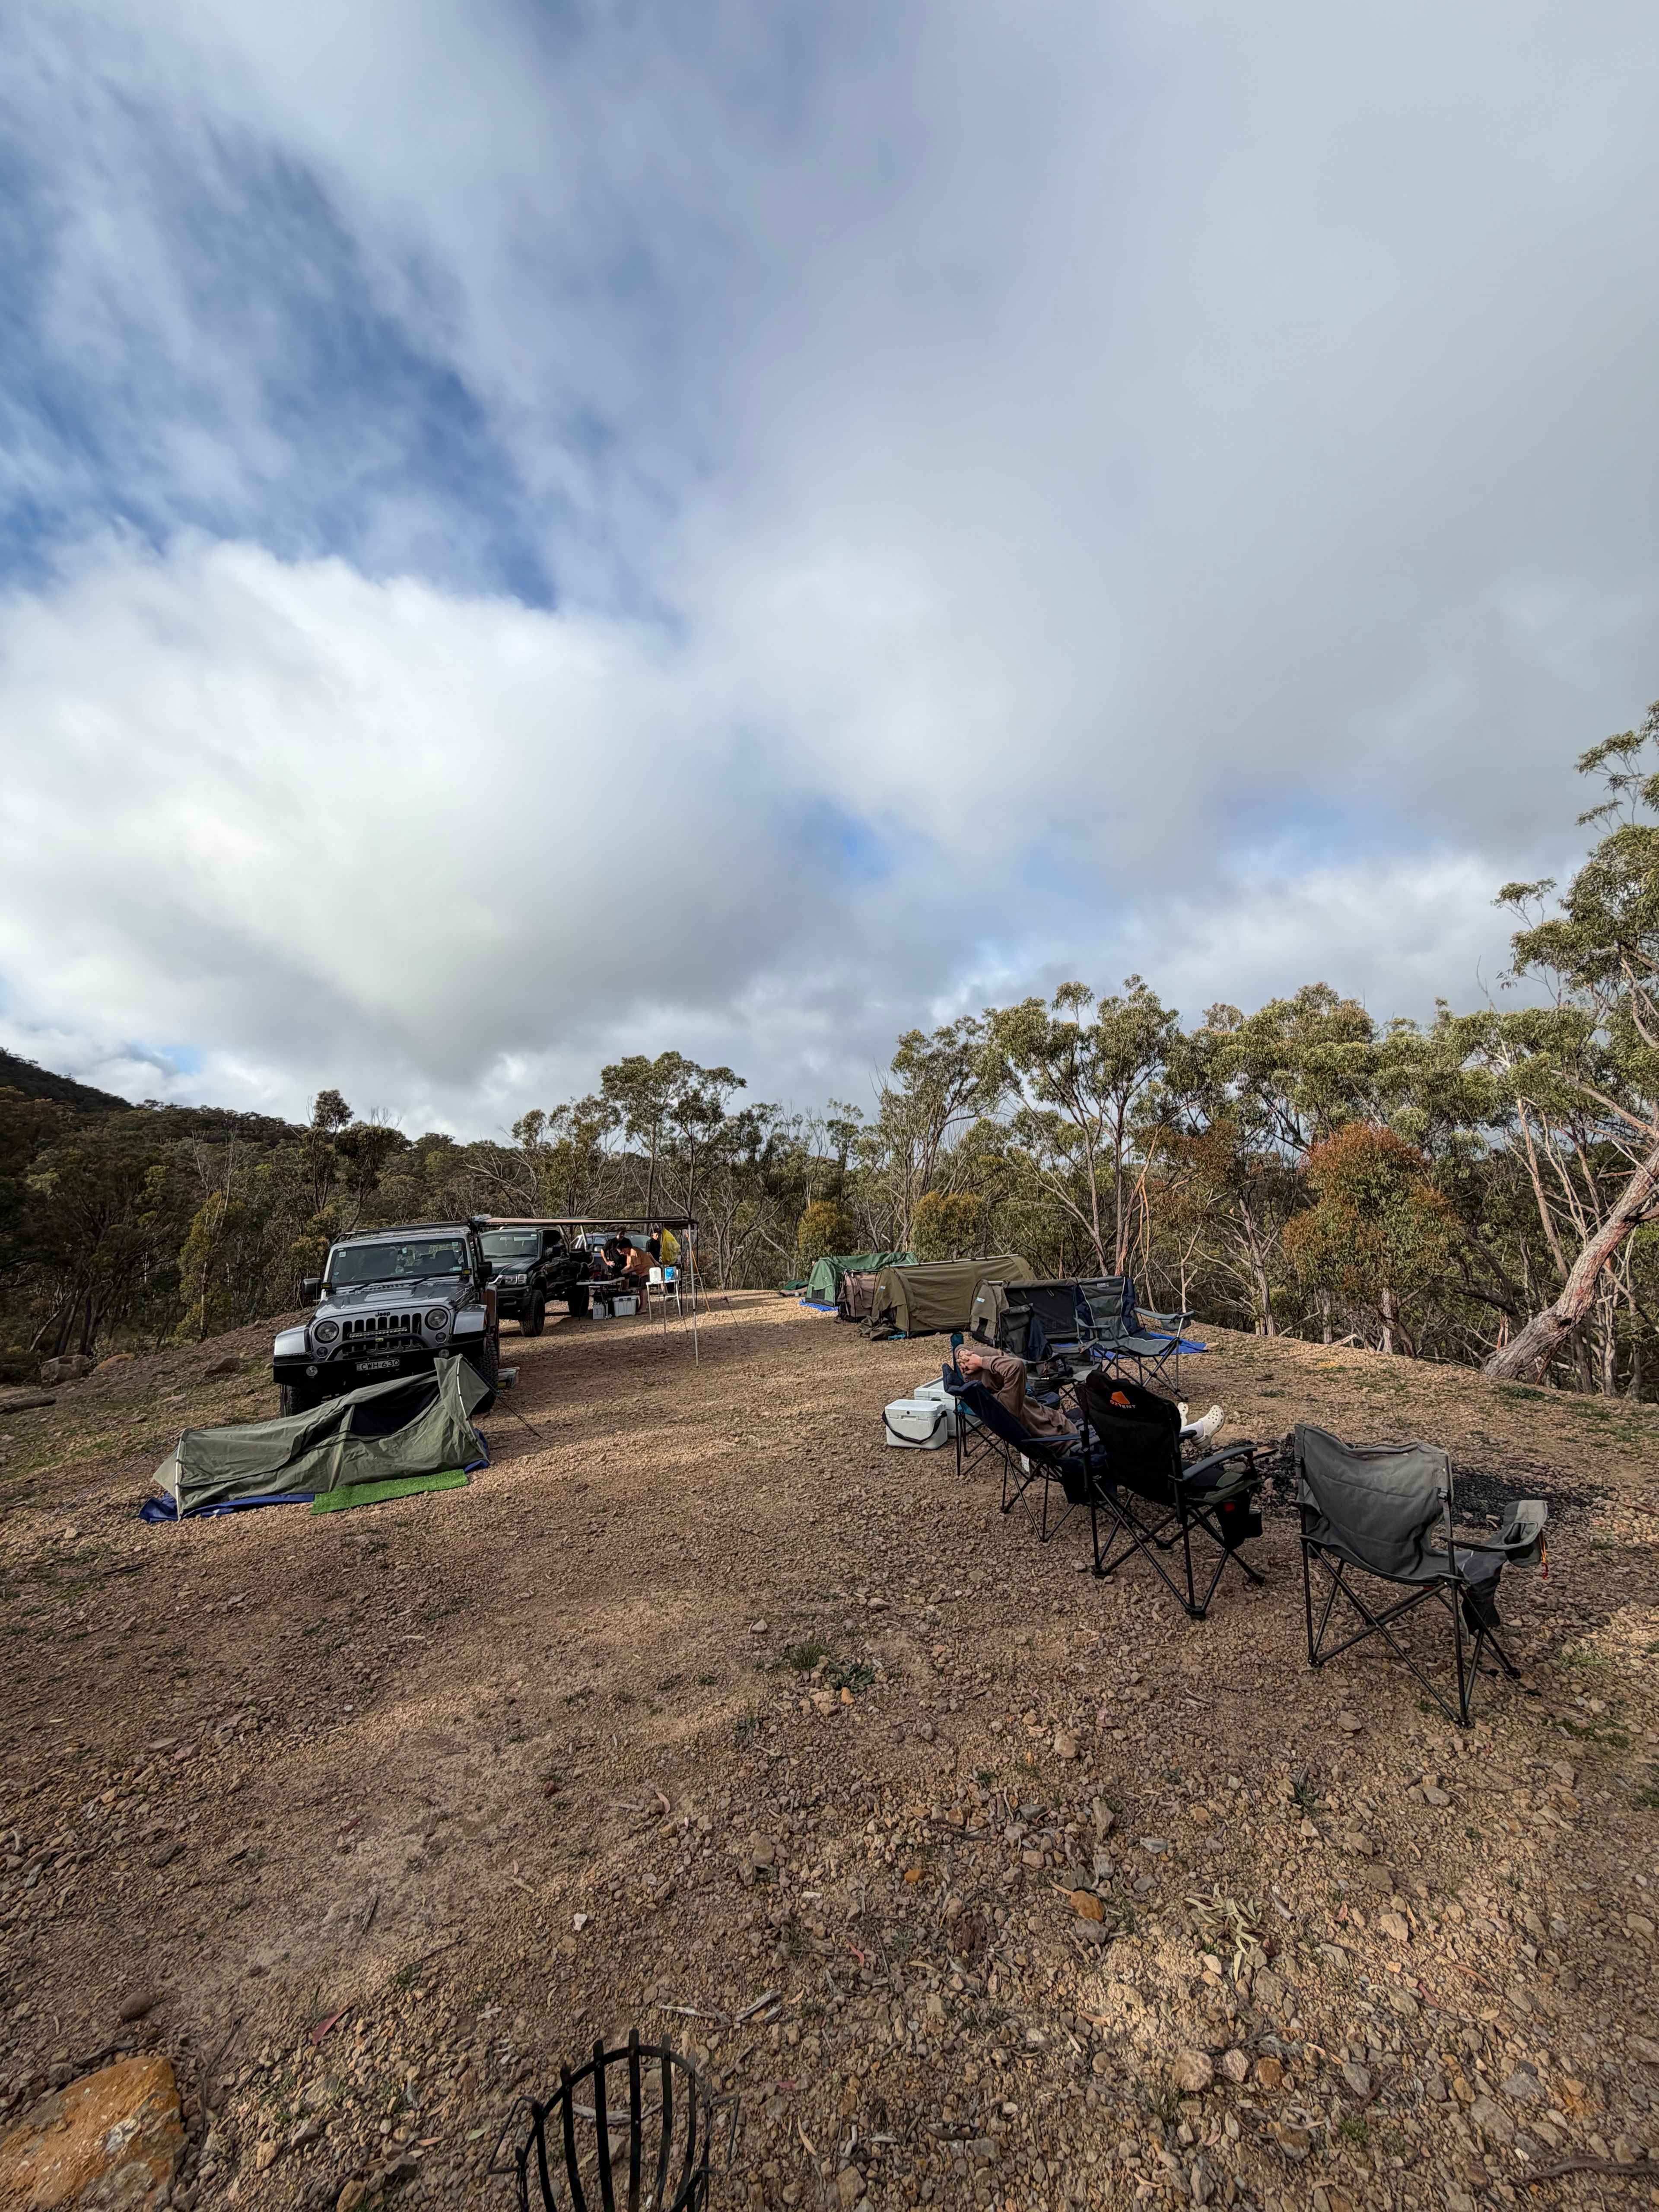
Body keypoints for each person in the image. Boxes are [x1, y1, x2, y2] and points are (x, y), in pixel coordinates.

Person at [956, 1345, 1074, 1437]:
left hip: (1056, 1425)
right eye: (999, 1360)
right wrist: (982, 1362)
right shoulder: (1008, 1401)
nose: (1004, 1359)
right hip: (1066, 1437)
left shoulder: (991, 1400)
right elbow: (1016, 1366)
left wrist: (961, 1352)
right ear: (993, 1373)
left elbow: (957, 1347)